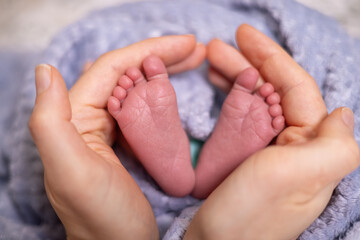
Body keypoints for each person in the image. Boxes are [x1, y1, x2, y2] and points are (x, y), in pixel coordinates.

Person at [29, 24, 359, 240]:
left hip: (135, 141)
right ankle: (215, 162)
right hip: (245, 130)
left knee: (108, 81)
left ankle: (153, 147)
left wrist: (101, 234)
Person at [107, 54, 284, 198]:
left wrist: (91, 69)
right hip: (208, 115)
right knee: (126, 118)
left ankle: (180, 168)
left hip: (169, 120)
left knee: (120, 120)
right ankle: (214, 173)